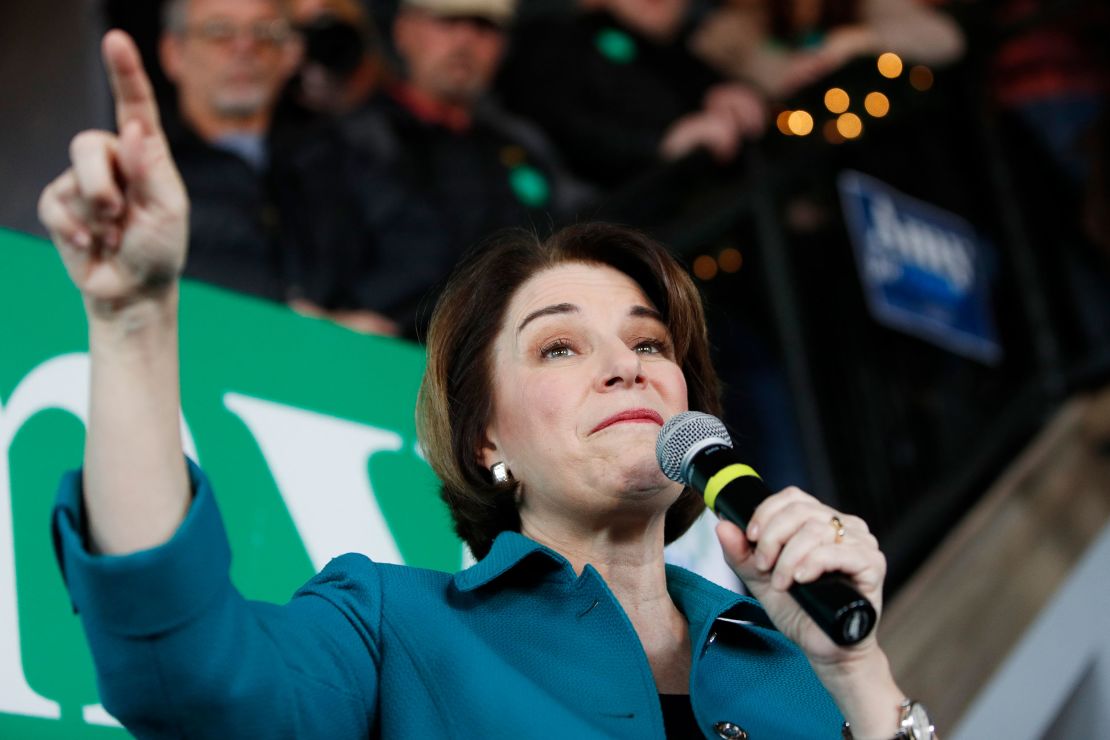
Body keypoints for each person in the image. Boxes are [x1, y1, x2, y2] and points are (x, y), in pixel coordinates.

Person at [38, 30, 934, 739]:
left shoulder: (787, 660)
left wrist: (855, 672)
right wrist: (134, 322)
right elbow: (190, 675)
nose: (626, 365)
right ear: (484, 440)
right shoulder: (392, 628)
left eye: (651, 344)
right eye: (558, 349)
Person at [158, 0, 449, 336]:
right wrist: (282, 319)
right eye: (219, 31)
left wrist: (348, 317)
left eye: (265, 33)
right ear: (173, 53)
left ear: (290, 54)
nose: (245, 47)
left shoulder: (339, 154)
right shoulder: (142, 168)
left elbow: (423, 250)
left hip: (330, 369)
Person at [341, 0, 591, 265]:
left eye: (483, 26)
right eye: (447, 21)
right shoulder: (352, 144)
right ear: (403, 30)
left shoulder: (523, 143)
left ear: (504, 45)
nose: (464, 41)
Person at [496, 0, 767, 190]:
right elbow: (567, 130)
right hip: (626, 216)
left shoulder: (639, 38)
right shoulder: (548, 40)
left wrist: (718, 89)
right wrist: (659, 145)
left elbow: (680, 68)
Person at [690, 0, 965, 100]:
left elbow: (946, 40)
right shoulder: (741, 21)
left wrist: (858, 38)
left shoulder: (861, 5)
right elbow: (704, 51)